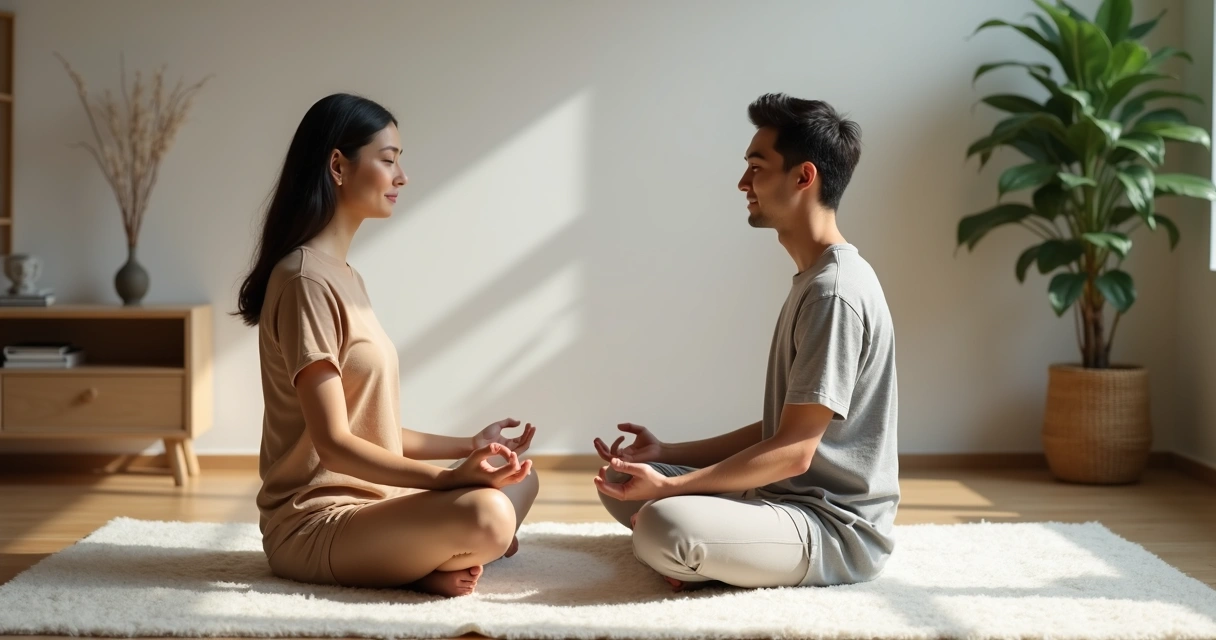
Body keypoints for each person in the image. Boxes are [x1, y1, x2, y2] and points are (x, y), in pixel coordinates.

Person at [235, 93, 539, 597]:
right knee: (488, 514)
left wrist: (471, 447)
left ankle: (422, 560)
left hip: (377, 505)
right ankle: (428, 561)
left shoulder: (345, 276)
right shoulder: (304, 280)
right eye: (389, 159)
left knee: (520, 480)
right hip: (317, 524)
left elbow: (370, 429)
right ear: (338, 165)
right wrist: (444, 482)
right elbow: (333, 442)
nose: (403, 177)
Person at [592, 93, 899, 591]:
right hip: (776, 497)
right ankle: (714, 555)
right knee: (623, 482)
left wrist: (672, 486)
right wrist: (667, 453)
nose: (742, 183)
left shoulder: (834, 294)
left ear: (803, 177)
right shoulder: (815, 279)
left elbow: (795, 450)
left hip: (832, 529)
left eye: (756, 167)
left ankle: (702, 556)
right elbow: (782, 425)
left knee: (659, 524)